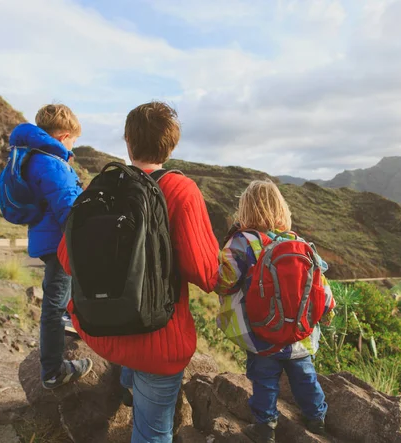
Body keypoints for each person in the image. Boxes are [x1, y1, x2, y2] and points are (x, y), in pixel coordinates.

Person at [57, 101, 219, 442]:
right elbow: (205, 273)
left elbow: (67, 258)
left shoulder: (102, 186)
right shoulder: (181, 190)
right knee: (153, 434)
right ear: (171, 146)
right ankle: (136, 390)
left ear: (127, 142)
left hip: (103, 328)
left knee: (132, 368)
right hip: (156, 339)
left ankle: (129, 386)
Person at [215, 180, 335, 443]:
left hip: (261, 334)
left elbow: (224, 281)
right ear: (283, 209)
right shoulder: (300, 243)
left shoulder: (242, 242)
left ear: (244, 209)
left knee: (264, 380)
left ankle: (266, 426)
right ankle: (316, 418)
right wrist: (327, 314)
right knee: (305, 376)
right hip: (298, 335)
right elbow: (322, 288)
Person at [9, 104, 93, 389]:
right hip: (59, 242)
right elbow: (68, 209)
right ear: (63, 136)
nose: (73, 147)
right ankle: (53, 371)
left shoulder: (34, 157)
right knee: (55, 305)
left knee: (61, 297)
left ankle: (69, 326)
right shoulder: (52, 162)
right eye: (73, 141)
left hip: (47, 238)